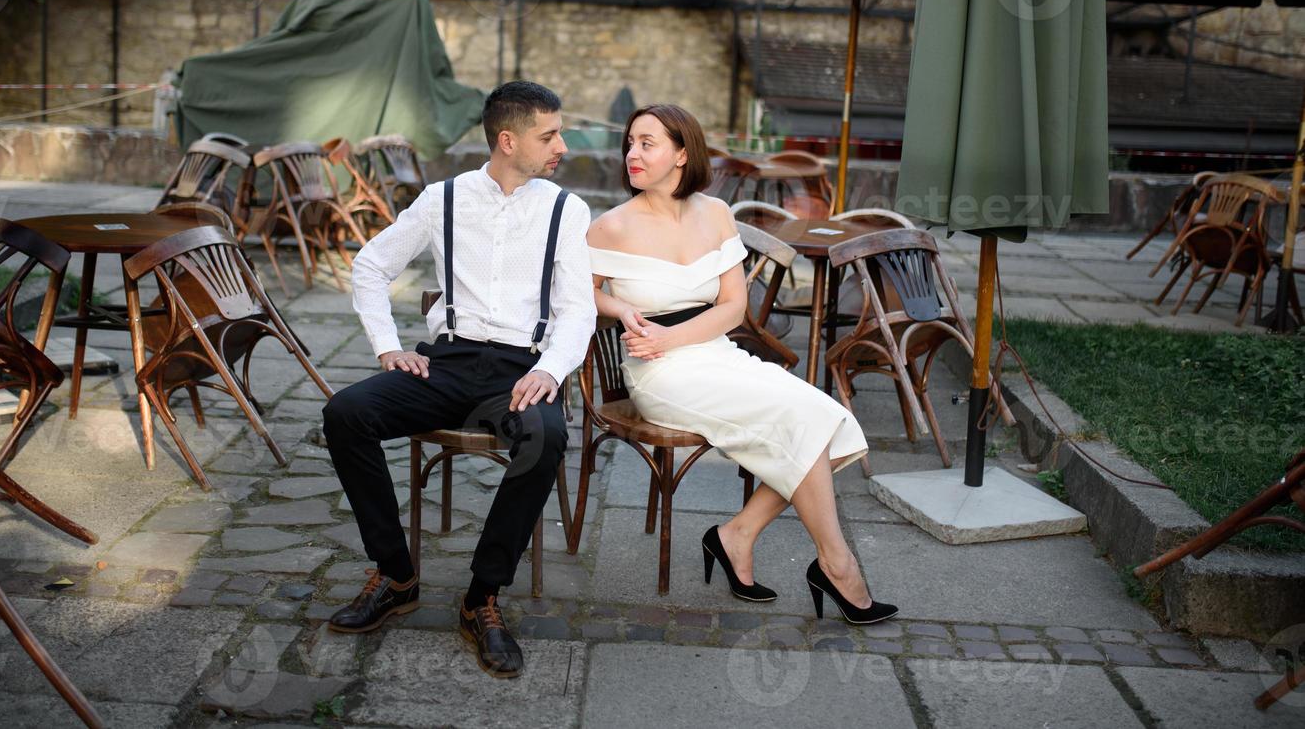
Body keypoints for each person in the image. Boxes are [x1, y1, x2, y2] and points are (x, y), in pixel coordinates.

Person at [321, 81, 596, 678]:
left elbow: (579, 309)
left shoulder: (565, 210)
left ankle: (482, 598)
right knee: (345, 415)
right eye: (548, 134)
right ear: (507, 139)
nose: (561, 145)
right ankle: (396, 576)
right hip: (445, 364)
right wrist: (388, 348)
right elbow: (370, 266)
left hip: (520, 370)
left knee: (545, 438)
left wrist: (550, 369)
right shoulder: (443, 198)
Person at [586, 103, 896, 625]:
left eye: (647, 143)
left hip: (714, 353)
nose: (632, 154)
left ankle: (738, 535)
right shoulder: (609, 227)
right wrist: (619, 307)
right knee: (804, 421)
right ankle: (838, 565)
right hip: (661, 376)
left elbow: (733, 307)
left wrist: (672, 336)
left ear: (682, 154)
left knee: (821, 416)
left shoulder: (716, 214)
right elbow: (580, 294)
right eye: (631, 144)